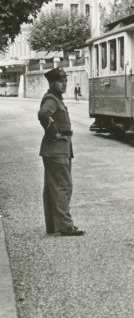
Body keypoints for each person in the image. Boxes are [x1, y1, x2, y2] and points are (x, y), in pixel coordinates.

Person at [37, 66, 84, 236]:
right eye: (60, 81)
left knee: (52, 188)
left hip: (56, 149)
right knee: (63, 186)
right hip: (56, 149)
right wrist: (53, 133)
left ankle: (53, 225)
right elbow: (43, 114)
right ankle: (65, 226)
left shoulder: (56, 98)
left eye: (65, 81)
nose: (64, 84)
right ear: (51, 83)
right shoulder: (52, 99)